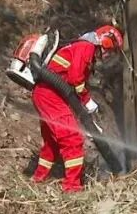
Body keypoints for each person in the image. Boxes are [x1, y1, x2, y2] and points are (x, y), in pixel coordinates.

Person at [31, 26, 124, 192]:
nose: (109, 54)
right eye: (110, 48)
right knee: (72, 139)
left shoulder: (81, 48)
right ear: (104, 41)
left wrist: (83, 113)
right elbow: (75, 79)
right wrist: (87, 101)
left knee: (52, 143)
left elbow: (70, 81)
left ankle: (38, 178)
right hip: (50, 96)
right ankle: (72, 187)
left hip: (47, 95)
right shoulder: (86, 47)